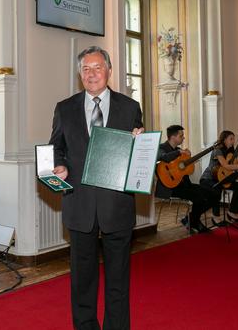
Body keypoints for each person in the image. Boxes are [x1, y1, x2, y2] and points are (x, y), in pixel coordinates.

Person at [49, 46, 143, 330]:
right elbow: (56, 148)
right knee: (82, 279)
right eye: (86, 69)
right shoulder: (65, 108)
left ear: (109, 71)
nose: (92, 74)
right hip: (80, 205)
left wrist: (139, 142)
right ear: (80, 74)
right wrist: (60, 165)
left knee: (118, 279)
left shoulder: (130, 107)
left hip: (117, 204)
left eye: (97, 68)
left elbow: (138, 154)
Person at [156, 125, 214, 234]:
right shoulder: (161, 148)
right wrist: (180, 153)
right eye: (181, 136)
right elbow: (164, 157)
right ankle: (195, 222)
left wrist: (188, 160)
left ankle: (190, 219)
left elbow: (188, 170)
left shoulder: (179, 150)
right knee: (199, 197)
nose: (183, 138)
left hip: (185, 185)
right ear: (173, 137)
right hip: (170, 187)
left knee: (213, 194)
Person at [200, 130, 238, 224]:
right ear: (224, 140)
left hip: (223, 178)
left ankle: (232, 212)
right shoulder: (217, 150)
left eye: (234, 139)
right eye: (231, 139)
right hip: (209, 179)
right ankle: (215, 216)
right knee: (217, 189)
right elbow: (225, 165)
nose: (233, 141)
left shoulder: (232, 151)